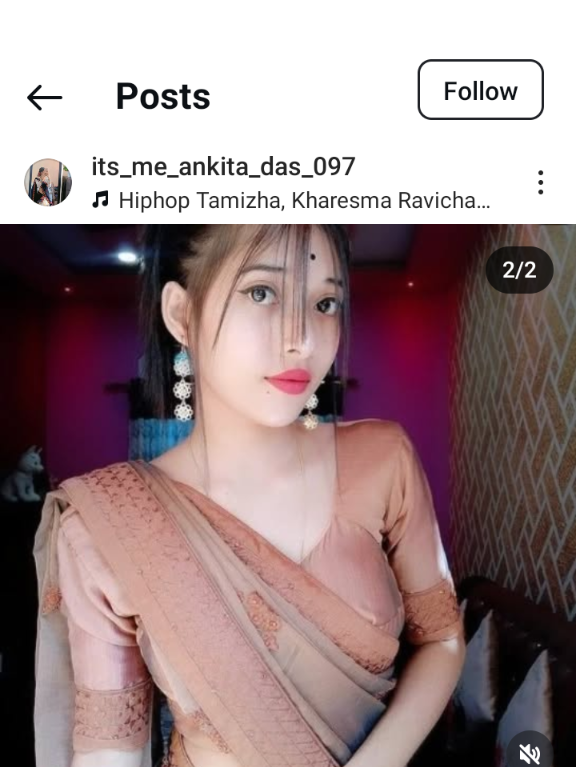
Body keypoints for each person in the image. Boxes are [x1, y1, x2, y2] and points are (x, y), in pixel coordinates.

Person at [34, 225, 465, 767]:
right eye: (262, 292)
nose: (303, 340)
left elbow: (442, 639)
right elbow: (108, 753)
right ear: (182, 315)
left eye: (325, 303)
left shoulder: (383, 460)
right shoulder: (108, 524)